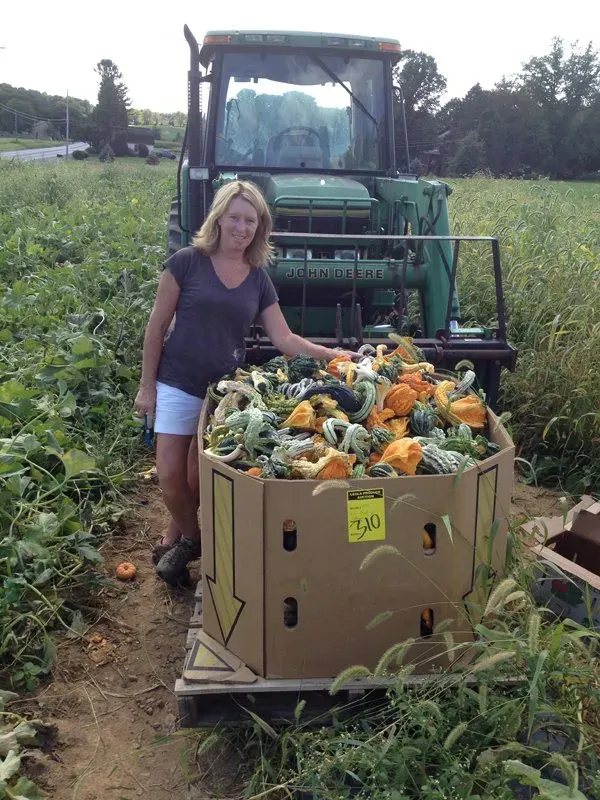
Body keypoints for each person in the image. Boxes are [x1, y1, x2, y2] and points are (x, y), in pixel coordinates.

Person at [133, 180, 356, 585]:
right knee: (168, 474)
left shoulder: (258, 279)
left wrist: (334, 354)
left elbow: (284, 339)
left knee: (197, 479)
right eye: (234, 217)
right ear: (218, 218)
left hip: (224, 394)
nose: (241, 227)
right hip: (178, 381)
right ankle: (192, 538)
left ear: (260, 227)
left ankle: (180, 536)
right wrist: (146, 387)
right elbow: (156, 326)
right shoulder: (186, 262)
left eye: (250, 221)